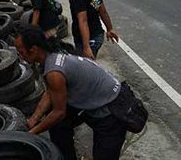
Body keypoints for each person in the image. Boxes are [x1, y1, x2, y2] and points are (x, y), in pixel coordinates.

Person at [14, 25, 128, 160]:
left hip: (112, 109)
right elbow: (51, 92)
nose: (20, 57)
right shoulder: (54, 54)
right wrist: (33, 119)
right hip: (93, 98)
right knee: (57, 125)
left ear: (33, 50)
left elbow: (59, 112)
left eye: (21, 52)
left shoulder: (54, 72)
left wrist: (32, 133)